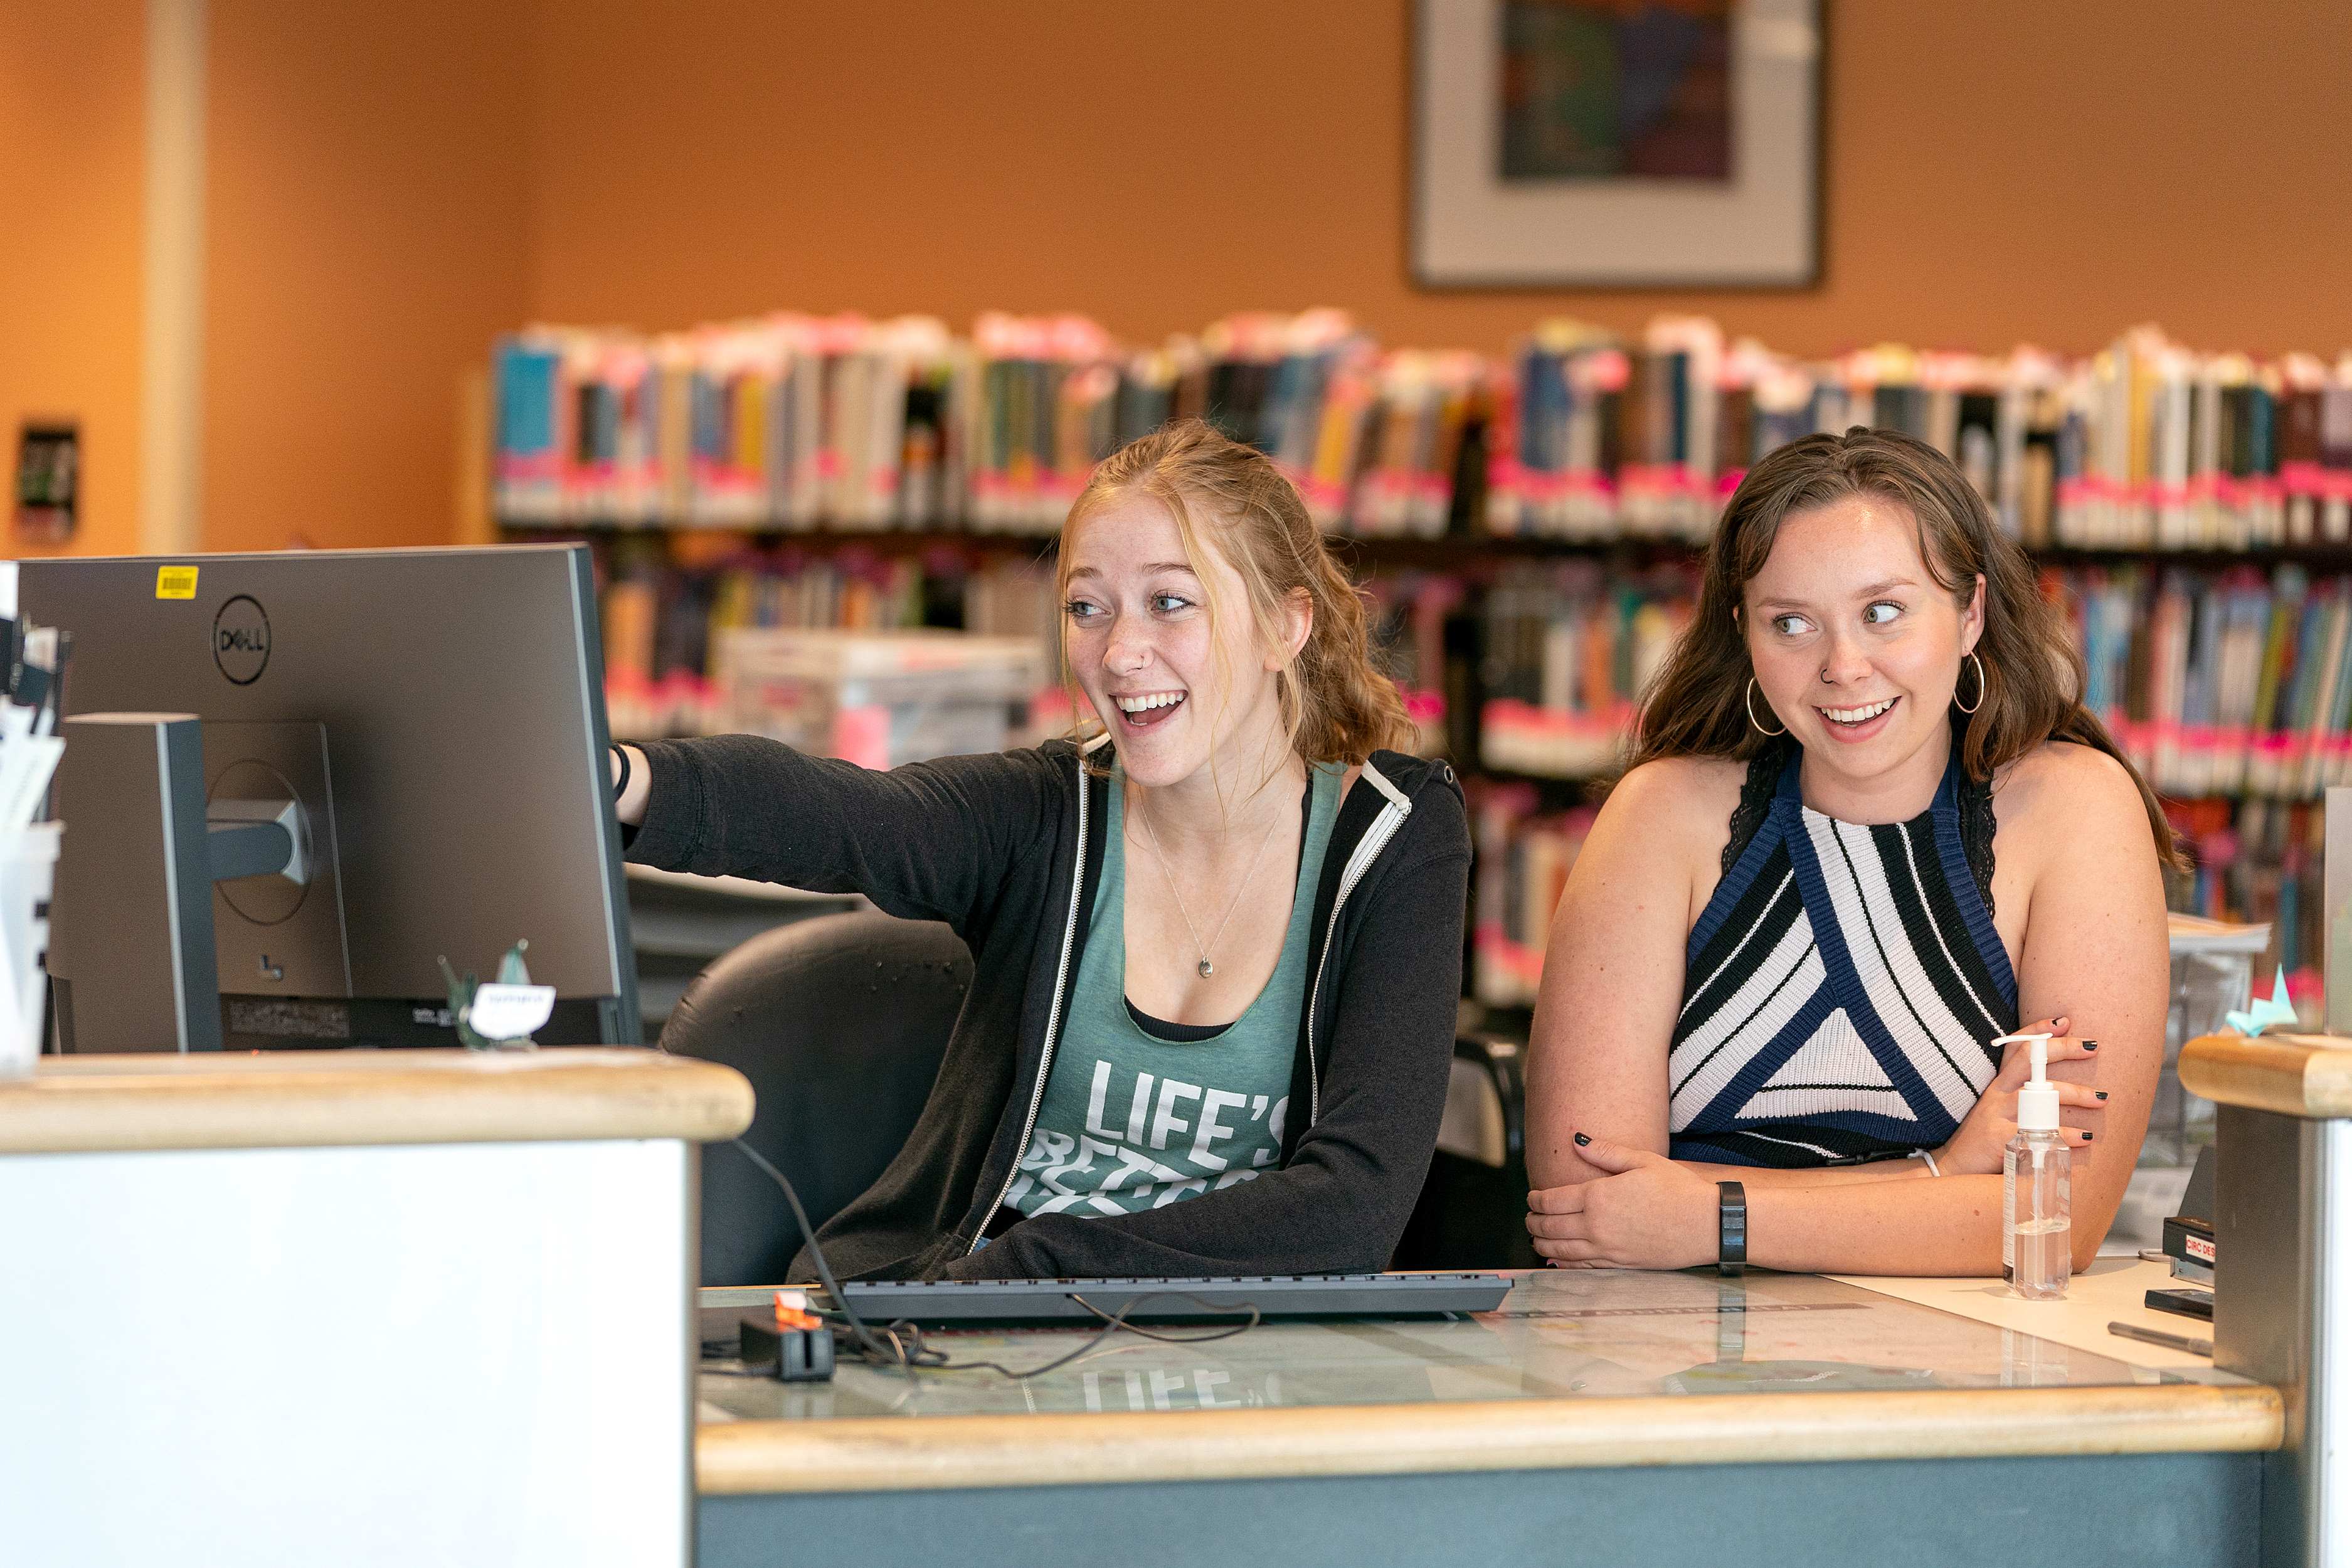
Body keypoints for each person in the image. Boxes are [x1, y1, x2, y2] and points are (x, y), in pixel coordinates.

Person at [614, 418, 1470, 1281]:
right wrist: (618, 777)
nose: (1120, 653)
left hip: (1193, 1342)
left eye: (1170, 602)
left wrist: (1039, 1267)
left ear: (1284, 627)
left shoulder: (1396, 837)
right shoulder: (1047, 812)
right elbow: (841, 813)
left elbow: (1351, 1208)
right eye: (1086, 609)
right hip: (961, 1328)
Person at [1523, 426, 2175, 1275]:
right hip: (1672, 1370)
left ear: (1969, 612)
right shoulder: (1661, 816)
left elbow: (2054, 1225)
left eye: (1882, 613)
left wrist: (1712, 1217)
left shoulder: (2072, 808)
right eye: (1790, 623)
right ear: (1743, 635)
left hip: (1955, 1379)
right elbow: (1590, 1221)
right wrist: (1941, 1173)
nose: (1841, 666)